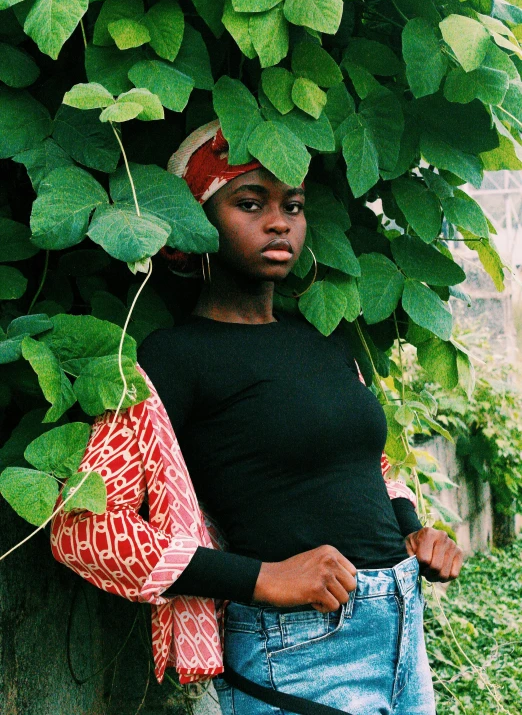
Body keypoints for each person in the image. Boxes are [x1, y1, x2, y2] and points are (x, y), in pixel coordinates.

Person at [51, 120, 463, 715]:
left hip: (402, 631)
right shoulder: (173, 359)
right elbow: (82, 528)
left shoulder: (326, 344)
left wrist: (413, 529)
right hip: (296, 650)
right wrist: (263, 578)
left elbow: (366, 468)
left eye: (292, 206)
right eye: (250, 203)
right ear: (189, 232)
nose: (279, 222)